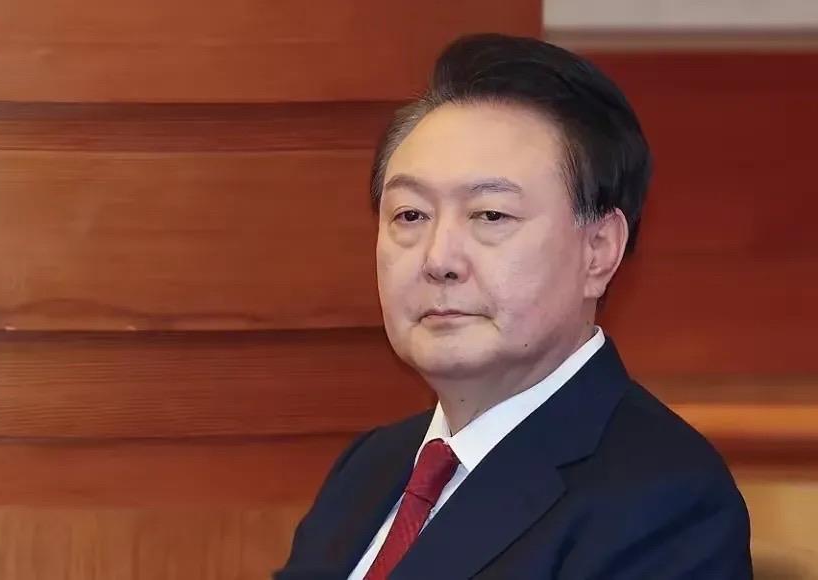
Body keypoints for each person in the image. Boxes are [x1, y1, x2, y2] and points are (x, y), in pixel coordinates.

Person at [275, 34, 752, 580]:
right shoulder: (370, 468)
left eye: (491, 216)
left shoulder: (666, 502)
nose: (439, 259)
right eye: (410, 215)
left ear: (599, 250)